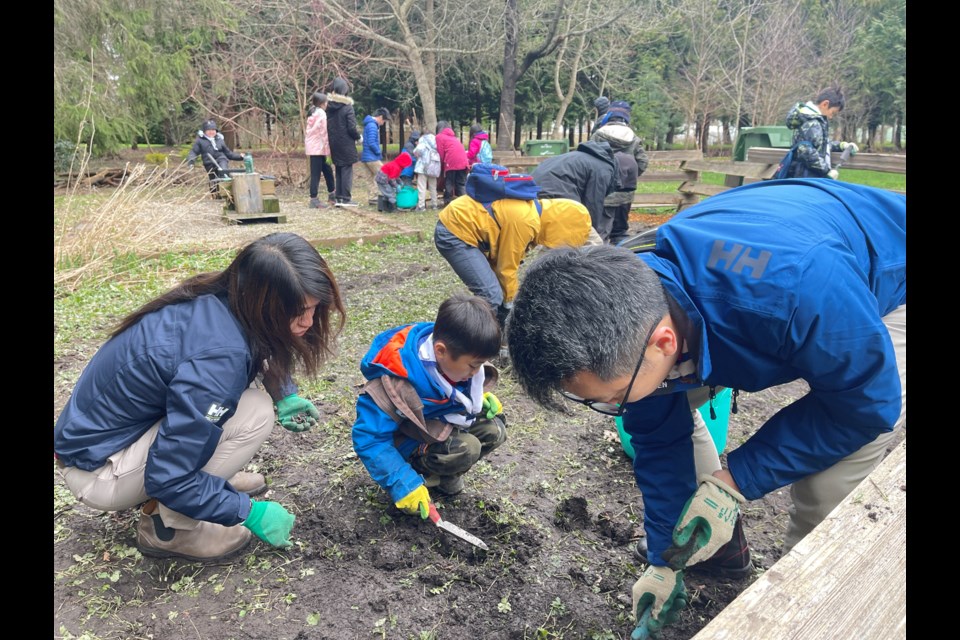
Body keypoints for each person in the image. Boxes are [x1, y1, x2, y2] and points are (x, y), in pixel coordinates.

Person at [504, 179, 905, 640]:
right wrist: (664, 560)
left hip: (886, 284)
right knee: (653, 399)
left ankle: (805, 607)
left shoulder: (793, 289)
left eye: (610, 396)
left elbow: (863, 405)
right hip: (784, 276)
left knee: (826, 483)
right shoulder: (635, 303)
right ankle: (714, 549)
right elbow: (659, 439)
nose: (609, 407)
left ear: (665, 343)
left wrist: (736, 480)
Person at [54, 233, 347, 562]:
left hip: (103, 442)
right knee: (256, 413)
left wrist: (285, 392)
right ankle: (169, 529)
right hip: (98, 472)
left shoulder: (223, 300)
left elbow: (260, 349)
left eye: (313, 308)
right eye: (298, 313)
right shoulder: (217, 362)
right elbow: (168, 476)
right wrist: (248, 511)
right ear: (262, 304)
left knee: (239, 406)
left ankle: (208, 481)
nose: (308, 322)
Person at [352, 294, 507, 515]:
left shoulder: (451, 357)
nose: (476, 373)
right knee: (466, 448)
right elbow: (368, 439)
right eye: (473, 366)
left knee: (494, 430)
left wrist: (474, 398)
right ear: (440, 351)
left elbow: (452, 386)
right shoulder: (396, 383)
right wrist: (402, 484)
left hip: (435, 427)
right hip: (407, 443)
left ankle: (444, 478)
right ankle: (417, 481)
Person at [434, 194, 596, 331]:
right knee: (491, 296)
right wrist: (510, 306)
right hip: (455, 230)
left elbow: (500, 260)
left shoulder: (534, 213)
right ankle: (469, 340)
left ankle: (488, 333)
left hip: (463, 225)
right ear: (561, 227)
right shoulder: (526, 221)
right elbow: (506, 268)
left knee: (496, 293)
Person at [531, 139, 621, 239]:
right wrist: (590, 229)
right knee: (587, 239)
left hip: (532, 192)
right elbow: (593, 203)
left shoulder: (575, 156)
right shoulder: (603, 169)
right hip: (557, 194)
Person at [785, 87, 859, 179]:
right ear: (825, 104)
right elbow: (805, 152)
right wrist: (827, 171)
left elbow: (821, 145)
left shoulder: (813, 120)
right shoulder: (811, 123)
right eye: (833, 112)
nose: (831, 117)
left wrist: (841, 146)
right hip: (805, 178)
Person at [590, 99, 649, 186]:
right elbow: (642, 161)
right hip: (625, 190)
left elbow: (588, 159)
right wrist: (630, 176)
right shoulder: (634, 138)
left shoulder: (597, 135)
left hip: (600, 188)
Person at [325, 77, 362, 206]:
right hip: (346, 143)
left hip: (334, 142)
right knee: (346, 169)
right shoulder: (348, 107)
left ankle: (339, 197)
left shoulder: (328, 107)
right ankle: (346, 198)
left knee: (339, 168)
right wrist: (358, 137)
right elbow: (351, 128)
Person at [186, 119, 247, 194]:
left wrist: (240, 157)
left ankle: (226, 191)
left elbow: (228, 153)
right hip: (209, 163)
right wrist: (191, 161)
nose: (211, 132)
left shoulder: (219, 140)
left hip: (221, 160)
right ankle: (215, 194)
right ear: (204, 131)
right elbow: (194, 152)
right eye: (209, 130)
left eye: (213, 130)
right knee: (213, 179)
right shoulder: (200, 141)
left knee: (223, 171)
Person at [304, 92, 336, 208]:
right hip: (319, 148)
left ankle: (332, 193)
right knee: (317, 174)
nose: (327, 104)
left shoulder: (312, 112)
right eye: (326, 102)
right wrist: (328, 151)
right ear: (322, 103)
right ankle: (314, 199)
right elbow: (324, 133)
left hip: (313, 148)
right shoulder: (322, 114)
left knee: (327, 170)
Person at [605, 150, 639, 245]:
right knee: (620, 229)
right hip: (627, 188)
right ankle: (622, 248)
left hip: (606, 191)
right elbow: (642, 161)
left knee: (601, 227)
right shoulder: (633, 141)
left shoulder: (599, 139)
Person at [361, 107, 392, 204]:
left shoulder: (369, 124)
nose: (384, 123)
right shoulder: (372, 126)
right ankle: (389, 196)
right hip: (372, 157)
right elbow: (371, 142)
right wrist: (378, 152)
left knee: (370, 178)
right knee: (384, 175)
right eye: (384, 120)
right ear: (380, 117)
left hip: (366, 157)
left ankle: (373, 198)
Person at [435, 121, 470, 205]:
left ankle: (448, 202)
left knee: (449, 182)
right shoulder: (454, 138)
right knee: (461, 183)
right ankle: (465, 203)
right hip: (463, 161)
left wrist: (442, 167)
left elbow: (440, 153)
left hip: (451, 161)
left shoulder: (439, 137)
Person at [413, 130, 442, 211]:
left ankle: (421, 206)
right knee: (433, 187)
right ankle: (434, 204)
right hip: (433, 167)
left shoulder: (423, 139)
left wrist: (415, 151)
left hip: (423, 167)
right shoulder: (436, 140)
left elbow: (418, 150)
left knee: (422, 187)